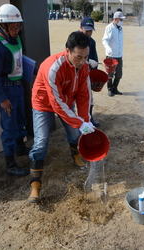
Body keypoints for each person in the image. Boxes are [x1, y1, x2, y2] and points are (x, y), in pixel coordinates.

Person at [28, 31, 95, 203]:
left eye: (86, 57)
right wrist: (78, 121)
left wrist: (85, 121)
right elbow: (55, 102)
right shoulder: (53, 67)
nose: (82, 62)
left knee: (74, 133)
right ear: (67, 51)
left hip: (66, 101)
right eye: (78, 57)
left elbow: (84, 96)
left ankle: (75, 155)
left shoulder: (85, 67)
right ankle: (35, 185)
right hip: (44, 103)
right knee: (41, 142)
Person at [0, 4, 30, 177]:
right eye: (12, 27)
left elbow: (19, 59)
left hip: (17, 87)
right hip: (6, 90)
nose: (16, 30)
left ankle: (20, 147)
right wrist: (2, 99)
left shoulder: (16, 38)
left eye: (18, 26)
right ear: (3, 26)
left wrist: (35, 69)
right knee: (10, 127)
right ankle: (10, 164)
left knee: (20, 120)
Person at [79, 16, 101, 127]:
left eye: (91, 30)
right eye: (86, 30)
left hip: (87, 75)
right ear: (80, 27)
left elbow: (94, 57)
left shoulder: (92, 42)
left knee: (89, 98)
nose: (89, 33)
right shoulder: (75, 39)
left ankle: (89, 118)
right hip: (75, 75)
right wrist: (87, 61)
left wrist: (94, 71)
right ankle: (77, 121)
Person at [102, 11, 126, 97]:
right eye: (120, 19)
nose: (121, 21)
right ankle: (109, 89)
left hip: (119, 55)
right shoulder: (109, 28)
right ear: (115, 19)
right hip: (111, 55)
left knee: (119, 74)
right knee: (110, 74)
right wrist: (108, 48)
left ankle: (115, 88)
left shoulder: (120, 28)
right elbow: (105, 40)